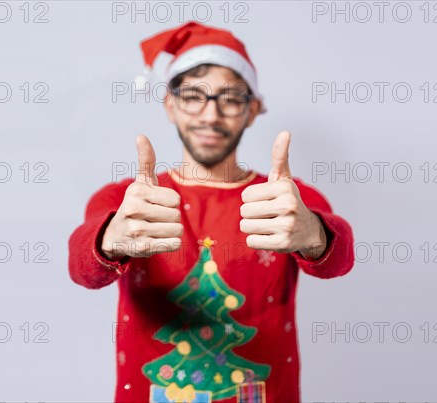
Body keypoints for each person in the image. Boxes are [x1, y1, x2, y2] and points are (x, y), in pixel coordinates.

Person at [68, 21, 355, 403]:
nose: (210, 115)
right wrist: (107, 240)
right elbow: (80, 264)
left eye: (230, 98)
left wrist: (316, 235)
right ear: (170, 105)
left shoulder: (286, 199)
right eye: (193, 96)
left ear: (253, 110)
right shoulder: (129, 200)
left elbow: (340, 257)